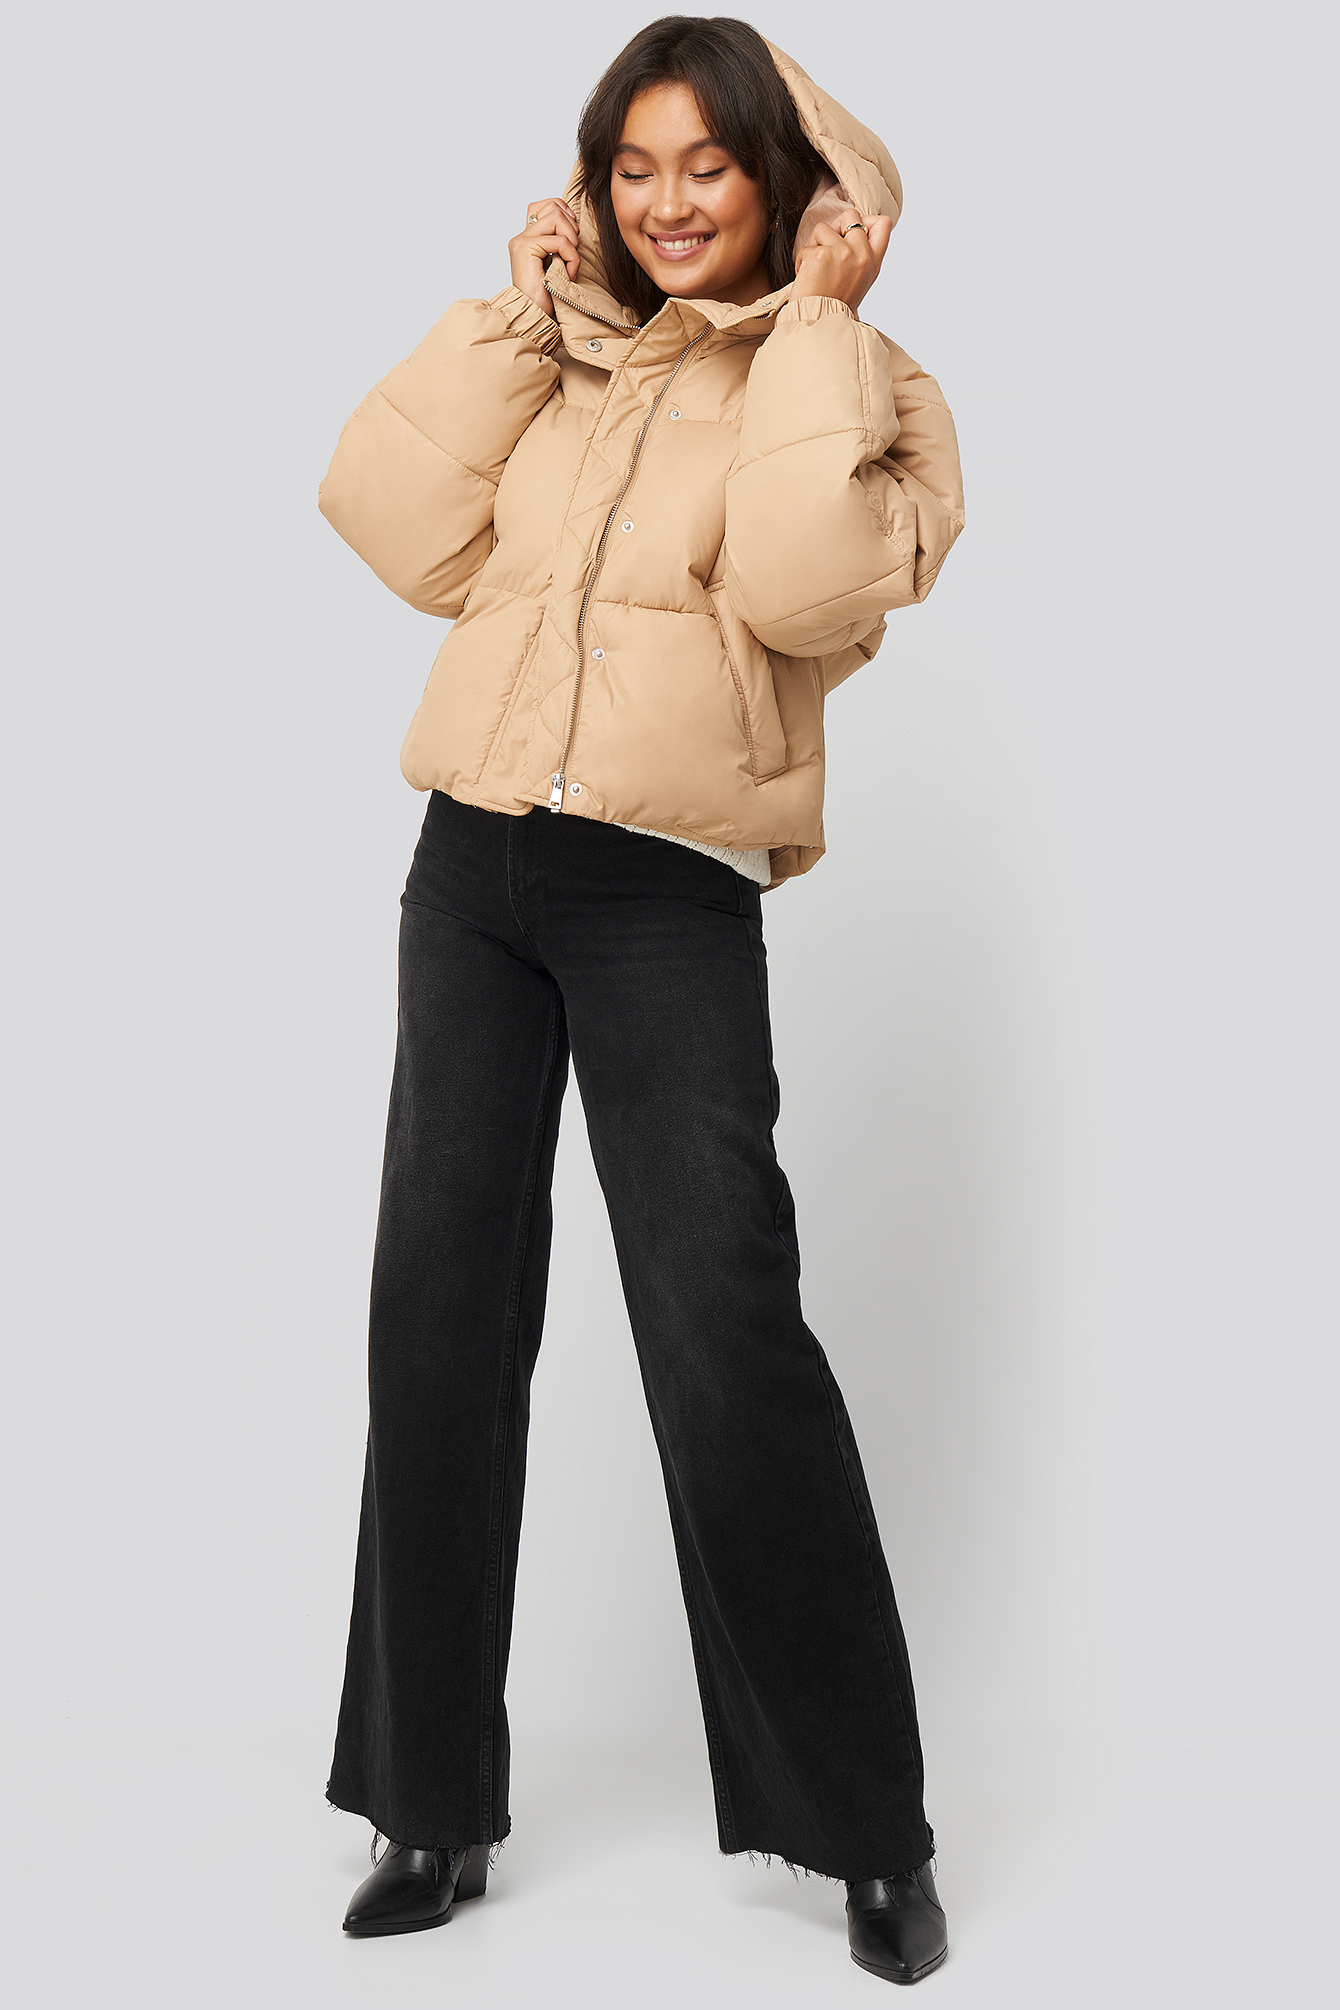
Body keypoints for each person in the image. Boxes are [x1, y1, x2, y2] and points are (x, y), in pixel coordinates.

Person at [317, 15, 964, 1987]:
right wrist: (520, 321)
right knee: (437, 1318)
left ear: (786, 181)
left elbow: (799, 590)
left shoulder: (866, 387)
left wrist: (821, 326)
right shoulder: (572, 360)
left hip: (665, 888)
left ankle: (866, 1829)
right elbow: (391, 524)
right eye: (634, 167)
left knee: (721, 1336)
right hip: (474, 870)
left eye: (710, 165)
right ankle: (427, 1800)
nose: (669, 203)